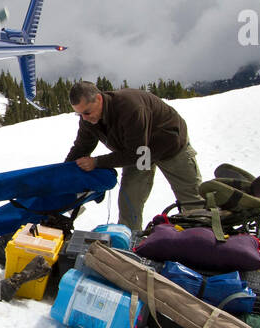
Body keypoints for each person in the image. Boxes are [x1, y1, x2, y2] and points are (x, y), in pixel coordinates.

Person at [65, 81, 204, 231]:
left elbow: (135, 154)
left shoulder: (130, 108)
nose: (84, 118)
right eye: (79, 114)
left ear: (99, 99)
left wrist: (97, 162)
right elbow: (81, 147)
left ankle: (202, 240)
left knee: (192, 202)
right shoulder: (88, 120)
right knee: (129, 203)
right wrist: (63, 171)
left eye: (86, 112)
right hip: (138, 153)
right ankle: (128, 245)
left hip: (170, 146)